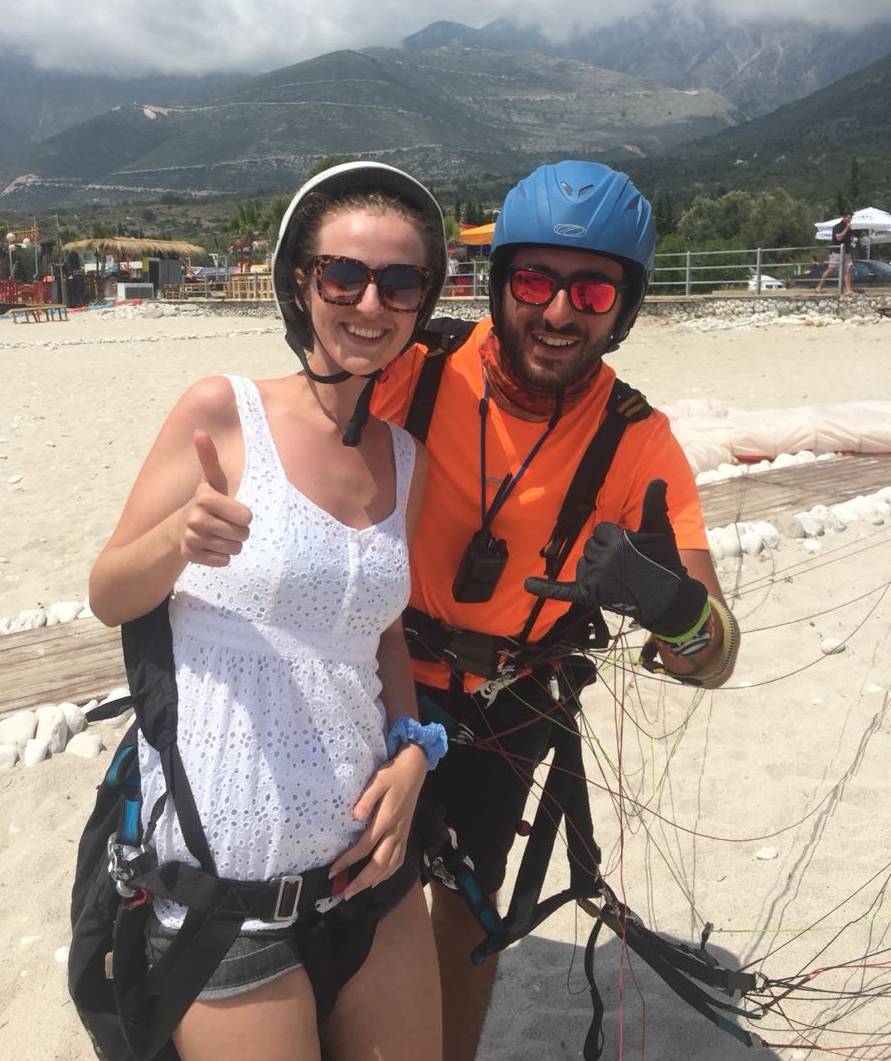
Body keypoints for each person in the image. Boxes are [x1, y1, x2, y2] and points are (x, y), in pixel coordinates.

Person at [372, 159, 740, 1061]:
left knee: (471, 899)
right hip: (377, 677)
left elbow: (715, 654)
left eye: (593, 290)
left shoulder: (636, 440)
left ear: (625, 307)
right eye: (535, 282)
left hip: (510, 699)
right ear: (501, 283)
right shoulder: (414, 373)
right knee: (362, 893)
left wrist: (674, 609)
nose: (560, 312)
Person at [87, 162, 450, 1061]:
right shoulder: (224, 409)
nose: (371, 304)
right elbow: (109, 593)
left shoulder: (408, 459)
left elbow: (381, 631)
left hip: (367, 868)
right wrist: (179, 539)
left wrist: (414, 750)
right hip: (228, 884)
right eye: (344, 275)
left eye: (400, 283)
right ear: (300, 282)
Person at [816, 211, 855, 294]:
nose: (850, 220)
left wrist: (853, 240)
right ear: (844, 217)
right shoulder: (837, 227)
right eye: (849, 218)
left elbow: (849, 238)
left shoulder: (849, 228)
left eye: (851, 218)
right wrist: (846, 229)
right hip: (837, 252)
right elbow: (838, 238)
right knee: (831, 270)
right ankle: (819, 286)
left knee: (848, 269)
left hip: (846, 252)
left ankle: (848, 290)